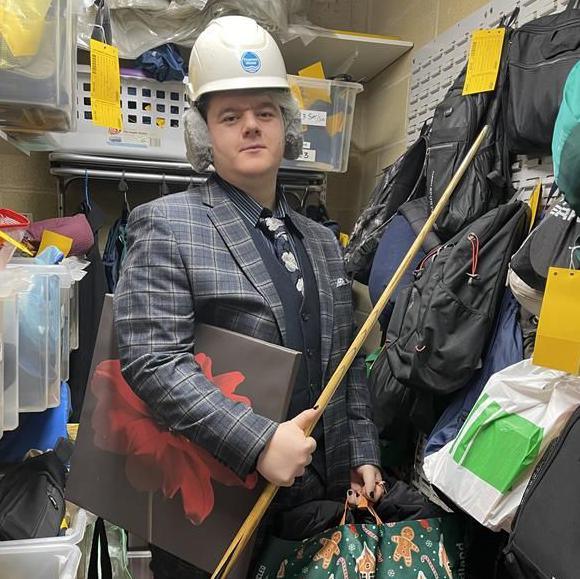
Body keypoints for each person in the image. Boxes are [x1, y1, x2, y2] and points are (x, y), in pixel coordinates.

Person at [113, 15, 382, 578]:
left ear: (285, 123)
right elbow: (152, 361)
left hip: (313, 506)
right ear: (205, 133)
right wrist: (258, 441)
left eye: (265, 112)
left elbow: (346, 360)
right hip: (210, 504)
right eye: (230, 116)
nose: (251, 127)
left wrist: (360, 448)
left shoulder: (321, 240)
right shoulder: (165, 225)